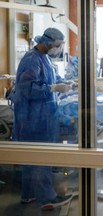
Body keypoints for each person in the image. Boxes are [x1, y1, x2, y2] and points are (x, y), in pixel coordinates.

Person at [12, 27, 73, 210]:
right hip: (33, 118)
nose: (59, 49)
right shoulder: (31, 60)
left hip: (42, 115)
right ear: (47, 43)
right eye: (57, 45)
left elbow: (51, 78)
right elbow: (28, 90)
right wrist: (54, 89)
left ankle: (29, 195)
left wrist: (66, 84)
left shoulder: (44, 58)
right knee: (40, 158)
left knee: (31, 159)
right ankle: (47, 198)